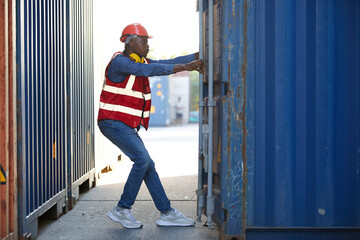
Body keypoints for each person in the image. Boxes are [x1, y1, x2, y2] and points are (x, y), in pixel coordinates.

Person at [97, 23, 203, 229]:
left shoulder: (140, 61)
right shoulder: (120, 62)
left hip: (125, 125)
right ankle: (122, 209)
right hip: (112, 122)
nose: (147, 45)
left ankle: (167, 213)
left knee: (147, 165)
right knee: (142, 159)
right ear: (129, 42)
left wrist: (196, 56)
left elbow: (166, 62)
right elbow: (148, 69)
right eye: (144, 41)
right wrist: (184, 68)